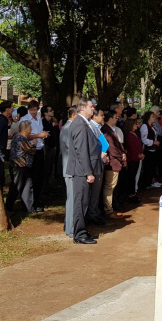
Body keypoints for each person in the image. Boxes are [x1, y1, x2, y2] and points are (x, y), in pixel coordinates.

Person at [66, 99, 101, 244]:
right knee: (80, 202)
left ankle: (82, 230)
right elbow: (81, 151)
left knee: (84, 201)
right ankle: (79, 233)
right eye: (91, 107)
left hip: (84, 169)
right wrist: (88, 172)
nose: (93, 109)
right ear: (82, 108)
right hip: (81, 171)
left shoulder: (83, 123)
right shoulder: (80, 124)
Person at [19, 101, 49, 213]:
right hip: (31, 150)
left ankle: (37, 201)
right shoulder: (25, 120)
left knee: (39, 177)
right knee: (32, 178)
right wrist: (38, 135)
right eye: (32, 110)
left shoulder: (38, 119)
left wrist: (43, 134)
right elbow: (24, 136)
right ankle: (31, 203)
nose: (34, 112)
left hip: (40, 149)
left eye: (35, 110)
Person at [5, 121, 37, 213]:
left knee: (27, 185)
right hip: (19, 166)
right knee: (16, 186)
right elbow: (30, 150)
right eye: (30, 127)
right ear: (25, 129)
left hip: (25, 166)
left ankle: (28, 208)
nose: (31, 129)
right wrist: (34, 143)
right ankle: (8, 207)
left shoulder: (19, 137)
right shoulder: (20, 138)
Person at [101, 110, 126, 219]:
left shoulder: (109, 130)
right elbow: (111, 147)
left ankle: (109, 208)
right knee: (109, 186)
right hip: (111, 162)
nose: (117, 119)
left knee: (111, 186)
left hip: (113, 161)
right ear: (110, 118)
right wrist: (121, 156)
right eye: (116, 117)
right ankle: (108, 210)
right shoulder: (106, 131)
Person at [59, 106, 77, 237]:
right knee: (71, 199)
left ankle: (70, 226)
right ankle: (71, 228)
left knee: (73, 198)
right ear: (74, 116)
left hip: (72, 168)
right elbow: (73, 149)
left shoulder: (69, 127)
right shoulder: (67, 128)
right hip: (70, 169)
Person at [139, 110, 162, 190]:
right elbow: (144, 139)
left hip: (153, 149)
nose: (154, 118)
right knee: (148, 167)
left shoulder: (151, 126)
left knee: (152, 166)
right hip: (148, 149)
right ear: (148, 118)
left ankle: (151, 181)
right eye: (152, 116)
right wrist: (153, 142)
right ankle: (147, 182)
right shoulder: (145, 126)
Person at [40, 105, 58, 199]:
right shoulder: (43, 123)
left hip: (52, 147)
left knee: (50, 169)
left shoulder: (50, 122)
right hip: (47, 148)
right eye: (50, 110)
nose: (52, 111)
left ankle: (49, 188)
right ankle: (44, 190)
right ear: (45, 113)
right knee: (46, 170)